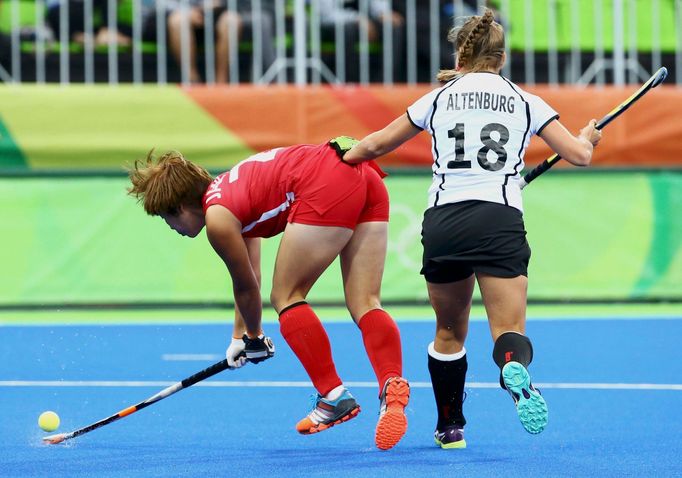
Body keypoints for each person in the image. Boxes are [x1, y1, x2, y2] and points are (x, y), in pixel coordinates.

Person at [341, 8, 601, 449]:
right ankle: (512, 366)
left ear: (461, 54)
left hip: (446, 221)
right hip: (499, 218)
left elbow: (376, 143)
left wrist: (338, 158)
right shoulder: (524, 100)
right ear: (502, 58)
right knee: (508, 328)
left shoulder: (440, 96)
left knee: (448, 332)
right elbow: (578, 155)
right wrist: (588, 137)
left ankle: (450, 427)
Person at [127, 138, 410, 450]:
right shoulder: (230, 194)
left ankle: (333, 396)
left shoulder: (218, 222)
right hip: (363, 176)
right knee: (365, 302)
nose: (172, 228)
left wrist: (255, 336)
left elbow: (246, 288)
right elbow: (251, 273)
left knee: (287, 296)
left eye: (168, 219)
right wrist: (242, 337)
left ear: (181, 207)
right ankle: (391, 386)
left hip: (328, 182)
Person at [165, 0, 275, 83]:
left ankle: (220, 83)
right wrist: (188, 11)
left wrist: (221, 6)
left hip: (225, 13)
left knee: (231, 21)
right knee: (177, 21)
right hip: (187, 13)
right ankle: (192, 80)